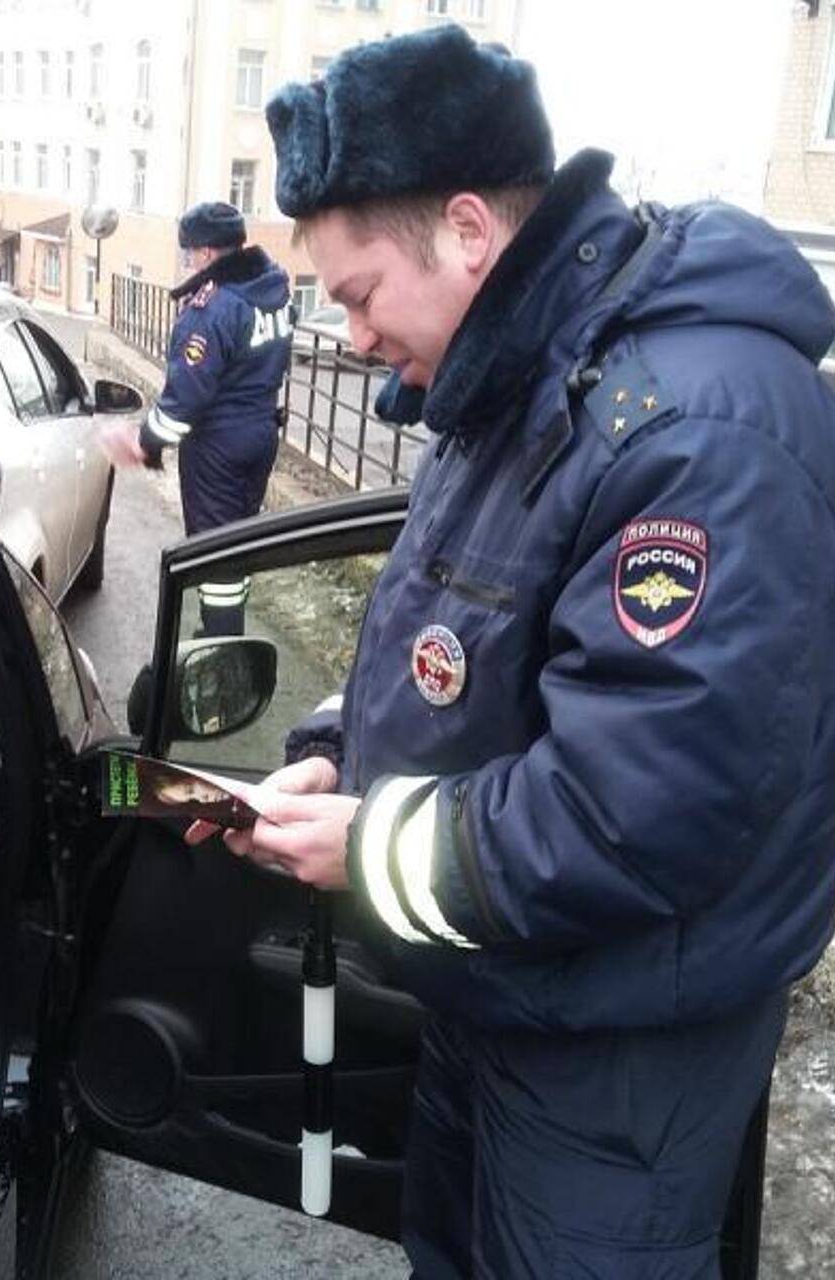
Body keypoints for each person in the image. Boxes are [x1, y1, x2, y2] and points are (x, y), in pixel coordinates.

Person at [190, 24, 835, 1279]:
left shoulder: (692, 432)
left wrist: (365, 845)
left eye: (361, 294)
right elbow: (442, 640)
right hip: (504, 987)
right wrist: (334, 754)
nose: (358, 338)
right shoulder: (512, 389)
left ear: (471, 231)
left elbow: (633, 811)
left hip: (618, 1055)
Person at [99, 200, 293, 636]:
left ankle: (220, 650)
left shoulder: (212, 309)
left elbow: (185, 401)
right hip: (261, 434)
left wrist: (144, 442)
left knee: (215, 557)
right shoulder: (273, 287)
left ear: (206, 253)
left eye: (188, 252)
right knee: (238, 544)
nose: (186, 260)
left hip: (218, 449)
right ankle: (229, 630)